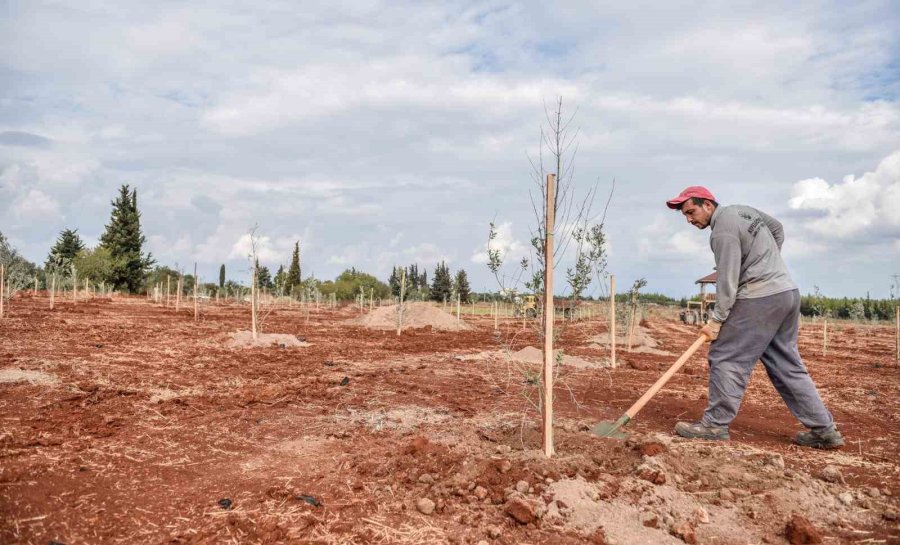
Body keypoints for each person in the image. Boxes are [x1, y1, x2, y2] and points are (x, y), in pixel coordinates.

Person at [665, 186, 843, 449]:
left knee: (725, 355)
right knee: (786, 364)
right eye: (685, 215)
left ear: (708, 205)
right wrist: (765, 264)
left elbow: (726, 281)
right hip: (786, 293)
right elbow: (778, 229)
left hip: (759, 298)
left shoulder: (721, 232)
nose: (689, 219)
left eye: (691, 212)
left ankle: (714, 425)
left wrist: (717, 319)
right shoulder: (744, 211)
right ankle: (824, 430)